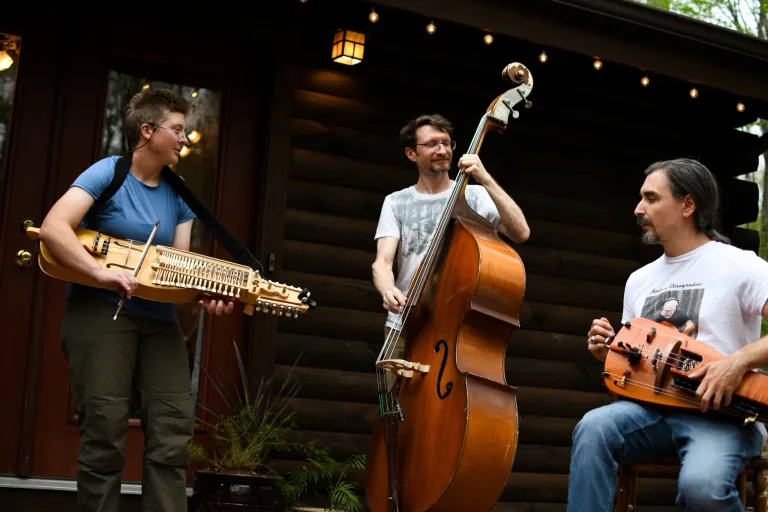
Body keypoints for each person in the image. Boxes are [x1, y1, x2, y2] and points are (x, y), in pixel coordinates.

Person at [38, 88, 233, 512]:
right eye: (178, 129)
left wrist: (206, 292)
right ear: (148, 131)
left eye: (186, 130)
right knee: (105, 431)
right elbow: (54, 227)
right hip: (99, 313)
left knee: (171, 431)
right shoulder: (107, 173)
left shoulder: (179, 193)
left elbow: (178, 266)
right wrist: (100, 273)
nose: (185, 138)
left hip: (159, 319)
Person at [570, 158, 768, 511]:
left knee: (702, 487)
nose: (638, 209)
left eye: (651, 198)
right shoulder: (640, 280)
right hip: (648, 414)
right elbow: (636, 364)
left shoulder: (740, 265)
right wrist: (610, 354)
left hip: (720, 415)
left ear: (687, 205)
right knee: (594, 428)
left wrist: (737, 362)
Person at [371, 114, 530, 384]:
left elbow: (520, 231)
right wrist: (388, 290)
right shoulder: (396, 202)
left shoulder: (474, 195)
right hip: (404, 324)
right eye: (432, 144)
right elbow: (382, 263)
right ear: (411, 153)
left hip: (455, 328)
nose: (442, 151)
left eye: (447, 143)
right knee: (394, 417)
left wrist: (485, 178)